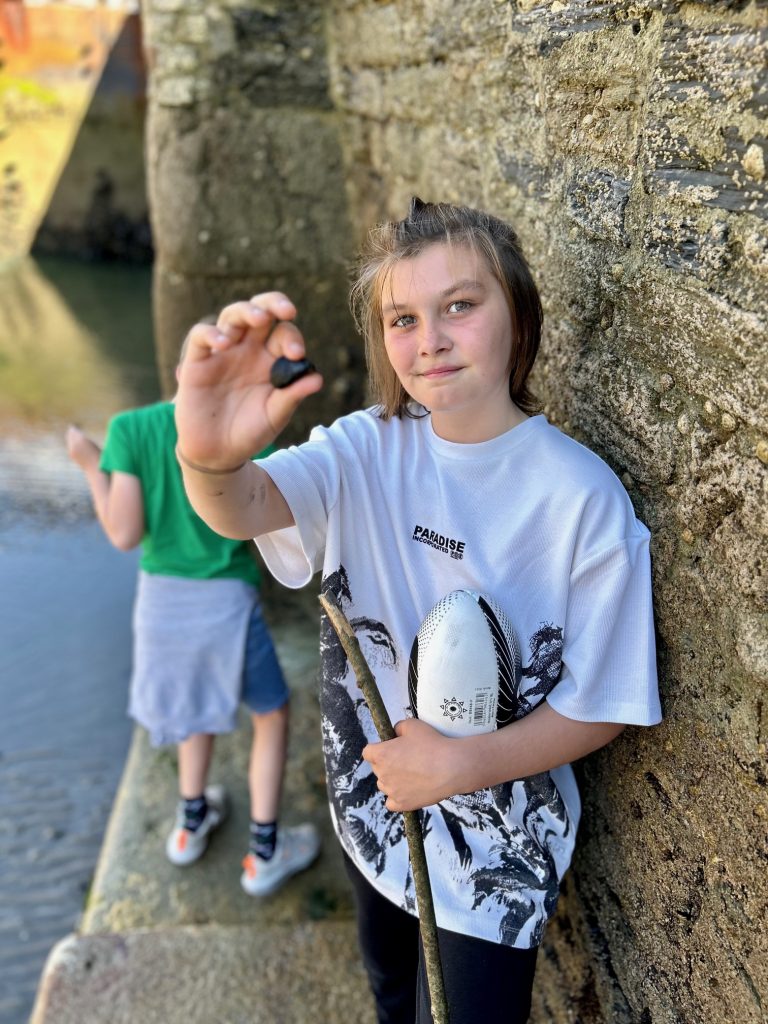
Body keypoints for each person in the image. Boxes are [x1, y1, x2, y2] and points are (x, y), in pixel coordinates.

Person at [173, 198, 662, 1023]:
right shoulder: (364, 448)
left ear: (520, 318)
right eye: (403, 317)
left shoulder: (582, 500)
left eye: (460, 306)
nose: (429, 339)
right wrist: (206, 458)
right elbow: (249, 501)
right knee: (393, 989)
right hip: (378, 819)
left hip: (501, 855)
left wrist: (462, 767)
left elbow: (603, 703)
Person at [65, 345, 320, 897]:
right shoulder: (240, 433)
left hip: (161, 604)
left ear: (181, 370)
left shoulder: (130, 428)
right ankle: (265, 850)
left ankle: (189, 823)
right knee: (271, 712)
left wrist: (90, 463)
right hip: (226, 602)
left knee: (189, 708)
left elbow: (124, 533)